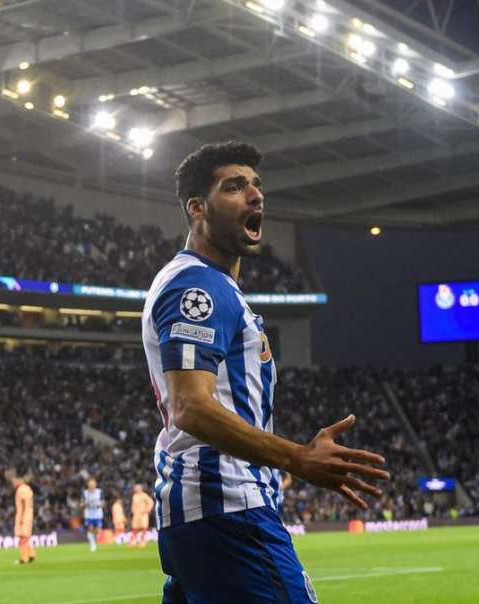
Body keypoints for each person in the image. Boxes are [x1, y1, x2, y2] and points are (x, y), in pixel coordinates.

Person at [141, 142, 389, 603]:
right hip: (228, 510)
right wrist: (297, 457)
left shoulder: (215, 287)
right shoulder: (198, 286)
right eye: (234, 187)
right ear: (198, 208)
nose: (254, 195)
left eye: (257, 186)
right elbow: (191, 406)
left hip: (206, 515)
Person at [13, 476, 35, 564]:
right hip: (29, 514)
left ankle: (24, 558)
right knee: (25, 537)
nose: (13, 484)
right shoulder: (28, 489)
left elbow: (24, 503)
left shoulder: (21, 490)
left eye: (15, 482)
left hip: (23, 515)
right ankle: (31, 554)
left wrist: (22, 517)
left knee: (22, 537)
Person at [81, 478, 103, 552]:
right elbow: (81, 504)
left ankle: (95, 541)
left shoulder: (99, 492)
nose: (92, 485)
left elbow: (103, 502)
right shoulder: (85, 493)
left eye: (93, 484)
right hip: (89, 514)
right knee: (90, 529)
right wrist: (84, 504)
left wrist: (100, 504)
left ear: (95, 484)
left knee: (98, 530)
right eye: (90, 484)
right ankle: (92, 544)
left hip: (98, 514)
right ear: (88, 485)